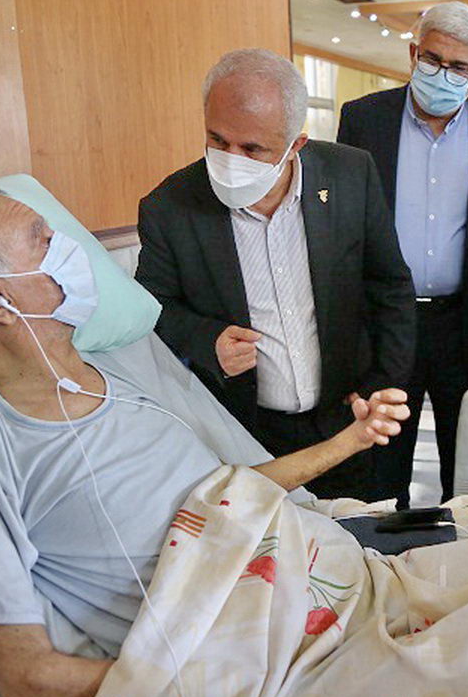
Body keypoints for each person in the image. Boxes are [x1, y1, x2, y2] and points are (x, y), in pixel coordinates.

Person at [0, 185, 410, 697]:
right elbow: (29, 678)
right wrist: (219, 687)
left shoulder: (118, 375)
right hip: (287, 662)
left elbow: (230, 497)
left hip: (349, 577)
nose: (71, 246)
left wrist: (350, 441)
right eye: (42, 240)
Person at [137, 49, 416, 502]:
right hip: (246, 431)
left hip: (346, 418)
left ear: (295, 145)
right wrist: (206, 340)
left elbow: (390, 288)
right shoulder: (169, 207)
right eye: (217, 139)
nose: (231, 159)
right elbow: (152, 309)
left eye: (252, 149)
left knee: (356, 534)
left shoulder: (350, 175)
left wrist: (382, 383)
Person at [337, 2, 468, 506]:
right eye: (433, 59)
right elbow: (344, 235)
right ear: (413, 53)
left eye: (459, 67)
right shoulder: (363, 120)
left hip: (464, 325)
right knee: (380, 464)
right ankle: (379, 546)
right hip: (386, 322)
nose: (443, 75)